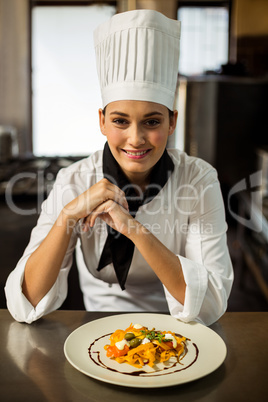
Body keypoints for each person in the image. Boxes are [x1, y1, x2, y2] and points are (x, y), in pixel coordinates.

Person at [5, 9, 233, 325]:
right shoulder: (74, 180)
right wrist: (68, 215)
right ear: (102, 121)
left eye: (152, 121)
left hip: (178, 324)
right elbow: (23, 302)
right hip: (96, 326)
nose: (135, 139)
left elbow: (210, 302)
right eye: (120, 121)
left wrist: (133, 228)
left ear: (172, 123)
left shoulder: (199, 180)